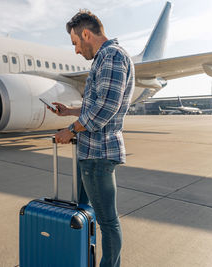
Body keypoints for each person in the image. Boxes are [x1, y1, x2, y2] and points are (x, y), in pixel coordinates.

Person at [51, 10, 134, 267]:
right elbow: (97, 105)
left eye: (75, 43)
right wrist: (70, 112)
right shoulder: (105, 58)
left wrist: (71, 130)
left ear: (86, 34)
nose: (76, 50)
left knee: (107, 221)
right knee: (90, 215)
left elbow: (106, 110)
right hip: (91, 152)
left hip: (99, 154)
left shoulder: (111, 56)